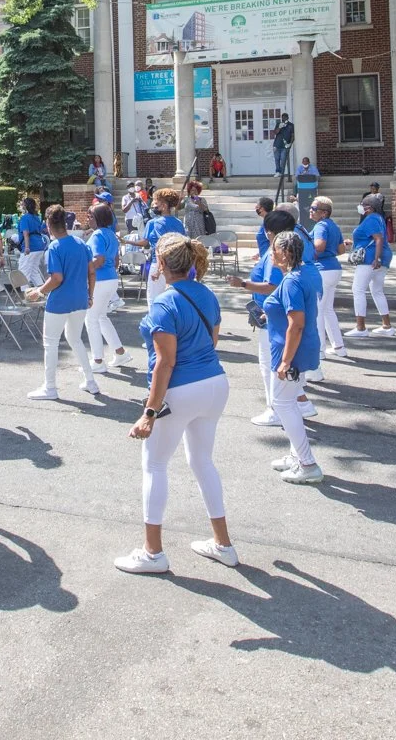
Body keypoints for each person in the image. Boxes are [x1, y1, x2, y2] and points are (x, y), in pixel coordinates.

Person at [118, 233, 234, 574]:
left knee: (154, 466)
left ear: (163, 264)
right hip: (214, 383)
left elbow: (165, 362)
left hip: (182, 388)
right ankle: (223, 543)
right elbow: (212, 340)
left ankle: (153, 552)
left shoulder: (164, 303)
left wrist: (149, 413)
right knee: (202, 462)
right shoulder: (206, 294)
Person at [228, 208, 315, 427]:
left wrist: (243, 284)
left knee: (270, 366)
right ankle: (300, 402)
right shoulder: (292, 249)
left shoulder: (276, 254)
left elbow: (272, 286)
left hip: (274, 320)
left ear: (270, 232)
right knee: (279, 368)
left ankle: (275, 409)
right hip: (278, 316)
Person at [261, 231, 326, 484]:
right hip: (301, 348)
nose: (271, 252)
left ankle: (308, 463)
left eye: (274, 248)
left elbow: (296, 323)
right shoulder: (302, 274)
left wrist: (286, 361)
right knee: (290, 403)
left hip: (291, 352)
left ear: (285, 253)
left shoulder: (291, 281)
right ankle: (296, 455)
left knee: (282, 404)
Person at [25, 206, 98, 400]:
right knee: (75, 339)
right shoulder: (81, 243)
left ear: (49, 225)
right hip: (80, 299)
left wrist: (39, 291)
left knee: (50, 344)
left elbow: (57, 278)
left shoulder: (55, 247)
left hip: (59, 302)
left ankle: (50, 387)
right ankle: (90, 381)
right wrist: (90, 295)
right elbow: (91, 272)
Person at [84, 203, 131, 372]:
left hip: (100, 280)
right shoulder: (110, 234)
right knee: (101, 317)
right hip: (110, 278)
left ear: (97, 218)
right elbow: (115, 260)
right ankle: (120, 353)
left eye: (90, 216)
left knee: (91, 319)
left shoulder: (97, 235)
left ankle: (97, 361)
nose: (87, 218)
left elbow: (99, 260)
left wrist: (82, 272)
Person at [343, 201, 395, 339]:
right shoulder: (379, 218)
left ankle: (360, 327)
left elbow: (378, 239)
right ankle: (386, 325)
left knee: (358, 289)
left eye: (362, 204)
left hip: (370, 258)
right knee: (377, 291)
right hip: (382, 257)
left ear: (369, 208)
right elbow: (372, 239)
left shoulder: (371, 219)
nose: (360, 206)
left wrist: (376, 258)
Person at [307, 197, 347, 359]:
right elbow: (341, 249)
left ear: (324, 213)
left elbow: (319, 245)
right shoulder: (333, 225)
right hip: (334, 269)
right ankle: (339, 347)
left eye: (314, 208)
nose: (310, 210)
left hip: (322, 270)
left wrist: (306, 255)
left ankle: (319, 350)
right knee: (328, 310)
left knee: (317, 311)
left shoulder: (321, 225)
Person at [142, 188, 186, 304]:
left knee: (153, 300)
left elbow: (161, 246)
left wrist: (158, 270)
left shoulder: (157, 222)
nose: (155, 206)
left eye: (157, 203)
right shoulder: (179, 223)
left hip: (160, 263)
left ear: (164, 205)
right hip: (177, 265)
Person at [13, 198, 48, 288]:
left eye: (22, 204)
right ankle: (42, 293)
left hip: (30, 248)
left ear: (25, 206)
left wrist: (27, 247)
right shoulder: (36, 217)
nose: (21, 206)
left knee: (23, 273)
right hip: (39, 246)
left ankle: (26, 295)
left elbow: (26, 233)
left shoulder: (24, 218)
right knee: (34, 272)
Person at [293, 158, 320, 223]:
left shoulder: (313, 168)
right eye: (303, 162)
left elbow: (317, 176)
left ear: (309, 162)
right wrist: (303, 175)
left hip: (311, 187)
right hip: (302, 187)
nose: (305, 163)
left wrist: (309, 176)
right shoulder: (300, 168)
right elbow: (297, 176)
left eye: (306, 162)